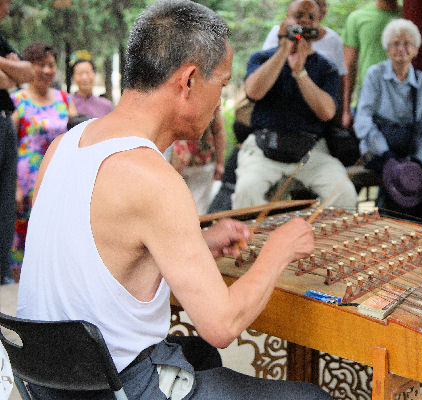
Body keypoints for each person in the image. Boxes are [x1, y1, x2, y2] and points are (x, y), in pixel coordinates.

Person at [16, 1, 330, 399]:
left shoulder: (63, 146)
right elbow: (222, 326)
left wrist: (199, 242)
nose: (220, 103)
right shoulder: (154, 178)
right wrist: (279, 249)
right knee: (312, 396)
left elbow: (93, 256)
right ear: (189, 81)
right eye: (221, 83)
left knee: (195, 354)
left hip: (45, 383)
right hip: (114, 388)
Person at [232, 0, 357, 210]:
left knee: (343, 194)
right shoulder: (262, 58)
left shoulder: (326, 68)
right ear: (286, 20)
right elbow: (253, 92)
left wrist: (301, 72)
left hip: (310, 151)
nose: (305, 21)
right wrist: (283, 51)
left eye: (311, 18)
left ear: (318, 29)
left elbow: (327, 112)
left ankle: (319, 240)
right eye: (299, 15)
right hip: (264, 147)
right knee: (247, 191)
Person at [353, 18, 422, 221]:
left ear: (415, 49)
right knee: (395, 186)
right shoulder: (375, 74)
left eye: (407, 43)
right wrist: (386, 153)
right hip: (378, 148)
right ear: (387, 49)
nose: (401, 49)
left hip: (410, 150)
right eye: (395, 44)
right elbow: (363, 119)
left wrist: (418, 160)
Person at [10, 43, 77, 281]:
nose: (47, 70)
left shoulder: (64, 99)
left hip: (59, 184)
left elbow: (75, 140)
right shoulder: (16, 101)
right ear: (29, 68)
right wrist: (14, 186)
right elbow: (9, 147)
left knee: (55, 243)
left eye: (51, 65)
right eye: (40, 65)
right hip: (25, 187)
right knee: (22, 245)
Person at [0, 0, 34, 285]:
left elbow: (26, 74)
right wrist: (9, 71)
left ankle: (1, 275)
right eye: (5, 2)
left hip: (4, 122)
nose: (7, 10)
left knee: (5, 206)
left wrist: (6, 68)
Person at [341, 0, 401, 129]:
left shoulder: (411, 15)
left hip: (403, 105)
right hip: (368, 104)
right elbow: (349, 66)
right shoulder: (358, 17)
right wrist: (345, 109)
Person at [170, 108, 226, 214]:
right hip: (179, 163)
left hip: (200, 163)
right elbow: (218, 130)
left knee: (195, 209)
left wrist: (220, 162)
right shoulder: (210, 94)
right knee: (186, 207)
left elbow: (218, 130)